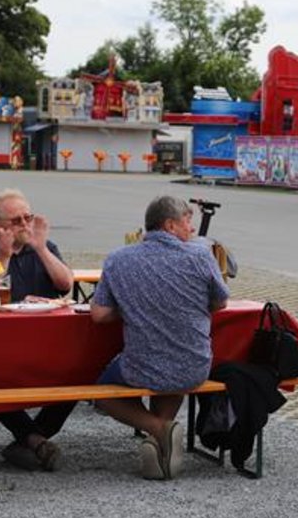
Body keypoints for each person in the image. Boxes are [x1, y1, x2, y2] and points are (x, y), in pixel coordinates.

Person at [90, 195, 229, 480]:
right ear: (169, 225)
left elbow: (99, 315)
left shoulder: (119, 259)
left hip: (142, 366)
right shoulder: (202, 255)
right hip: (194, 366)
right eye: (187, 221)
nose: (191, 229)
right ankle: (161, 441)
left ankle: (158, 429)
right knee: (175, 358)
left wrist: (133, 305)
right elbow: (220, 303)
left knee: (100, 394)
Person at [0, 189, 75, 472]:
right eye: (16, 220)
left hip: (45, 341)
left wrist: (40, 248)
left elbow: (65, 285)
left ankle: (28, 441)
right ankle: (35, 440)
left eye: (28, 217)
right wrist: (3, 256)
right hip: (2, 344)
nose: (25, 225)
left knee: (77, 376)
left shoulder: (44, 247)